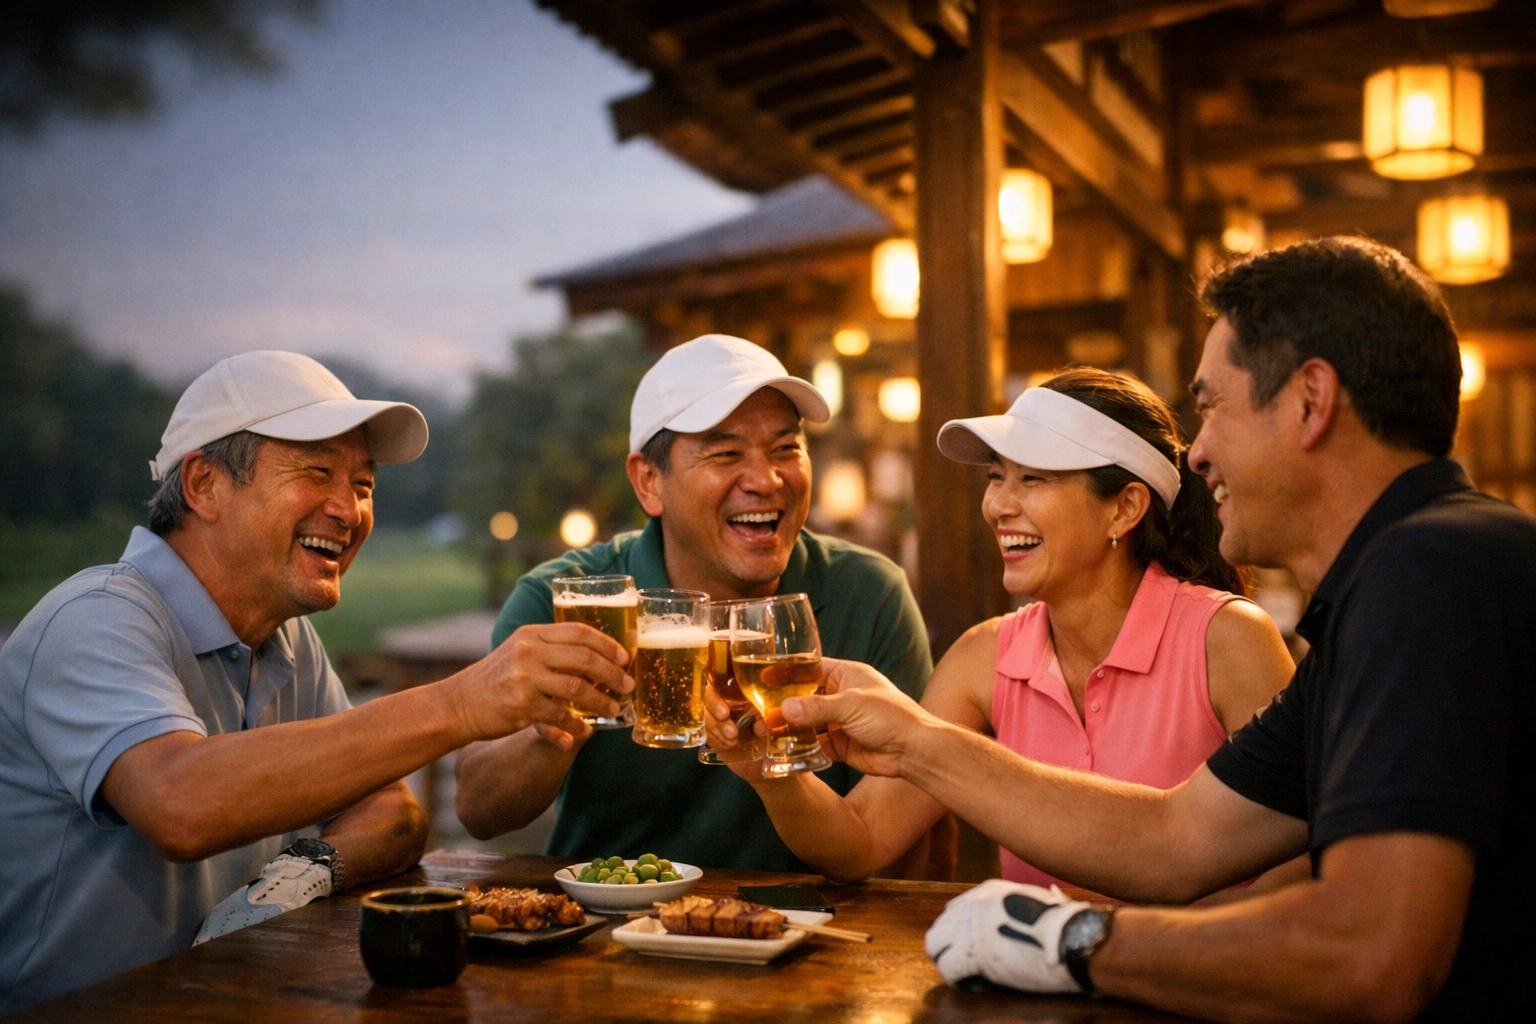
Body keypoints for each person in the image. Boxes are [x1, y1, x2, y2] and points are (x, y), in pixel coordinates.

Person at [773, 237, 1534, 1020]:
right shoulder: (1398, 582)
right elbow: (1176, 840)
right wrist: (909, 738)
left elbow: (1372, 953)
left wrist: (1068, 944)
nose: (1197, 453)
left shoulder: (1431, 567)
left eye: (1210, 407)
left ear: (1311, 400)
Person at [0, 351, 625, 1011]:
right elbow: (176, 803)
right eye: (317, 472)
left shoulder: (284, 636)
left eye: (363, 483)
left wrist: (293, 879)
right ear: (204, 485)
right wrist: (462, 702)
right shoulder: (95, 616)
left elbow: (392, 812)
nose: (348, 509)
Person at [706, 368, 1295, 888]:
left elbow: (1297, 871)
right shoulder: (985, 656)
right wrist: (771, 776)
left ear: (1124, 507)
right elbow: (862, 841)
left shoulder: (1229, 638)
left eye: (1033, 480)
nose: (998, 506)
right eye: (996, 477)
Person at [454, 334, 932, 871]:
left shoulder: (869, 594)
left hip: (812, 930)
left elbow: (901, 834)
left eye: (786, 448)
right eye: (726, 453)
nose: (766, 479)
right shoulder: (569, 599)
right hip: (609, 929)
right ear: (649, 482)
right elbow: (479, 810)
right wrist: (554, 732)